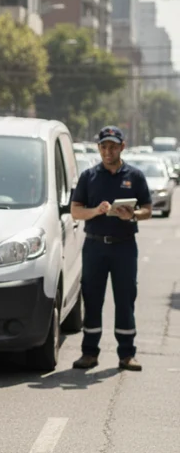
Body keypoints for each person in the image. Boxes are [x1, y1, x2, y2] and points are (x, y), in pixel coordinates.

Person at [70, 126, 152, 372]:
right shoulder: (89, 176)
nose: (108, 151)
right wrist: (96, 211)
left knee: (125, 298)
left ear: (122, 147)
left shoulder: (135, 176)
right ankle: (89, 352)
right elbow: (75, 211)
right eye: (104, 147)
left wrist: (132, 215)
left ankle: (127, 354)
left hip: (124, 246)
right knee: (92, 297)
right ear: (99, 148)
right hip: (95, 245)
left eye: (113, 147)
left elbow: (148, 210)